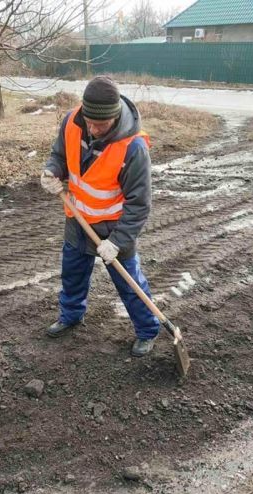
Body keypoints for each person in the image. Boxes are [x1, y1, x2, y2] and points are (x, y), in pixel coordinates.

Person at [40, 76, 160, 357]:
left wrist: (116, 241)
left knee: (129, 283)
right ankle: (70, 316)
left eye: (101, 125)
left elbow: (139, 204)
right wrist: (52, 171)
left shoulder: (133, 148)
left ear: (115, 117)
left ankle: (147, 331)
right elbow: (59, 154)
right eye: (89, 121)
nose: (93, 129)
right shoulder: (72, 122)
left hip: (115, 228)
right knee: (72, 275)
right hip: (78, 219)